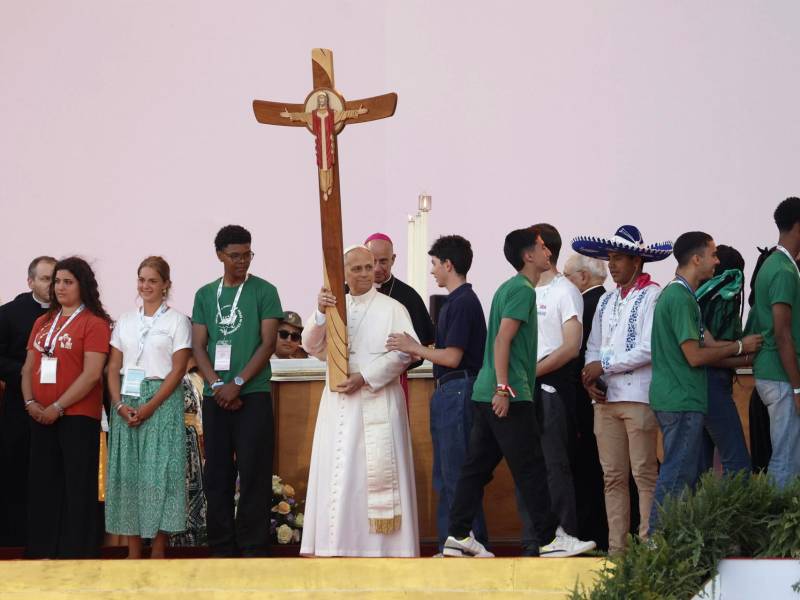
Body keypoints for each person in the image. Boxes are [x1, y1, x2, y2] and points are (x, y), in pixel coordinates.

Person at [444, 227, 591, 559]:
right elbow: (502, 340)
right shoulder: (524, 291)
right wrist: (503, 388)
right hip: (508, 394)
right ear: (528, 256)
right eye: (541, 248)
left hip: (490, 392)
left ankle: (457, 534)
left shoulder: (509, 288)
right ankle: (550, 540)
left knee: (476, 467)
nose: (548, 252)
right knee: (531, 468)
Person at [301, 245, 419, 557]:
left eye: (370, 267)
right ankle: (338, 544)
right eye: (357, 269)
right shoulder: (335, 307)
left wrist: (365, 377)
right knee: (339, 473)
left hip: (376, 398)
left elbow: (405, 352)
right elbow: (311, 345)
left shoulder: (392, 308)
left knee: (370, 476)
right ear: (344, 273)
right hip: (339, 403)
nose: (366, 274)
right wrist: (319, 313)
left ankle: (383, 549)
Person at [649, 232, 762, 532]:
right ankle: (657, 545)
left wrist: (747, 354)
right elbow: (695, 356)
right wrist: (740, 347)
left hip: (679, 399)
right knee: (676, 476)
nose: (716, 261)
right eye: (712, 255)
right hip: (682, 399)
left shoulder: (682, 295)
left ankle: (666, 542)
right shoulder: (680, 297)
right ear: (696, 259)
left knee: (684, 475)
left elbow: (708, 344)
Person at [386, 235, 489, 554]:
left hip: (458, 389)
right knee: (448, 473)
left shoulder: (461, 302)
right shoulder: (458, 302)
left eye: (434, 264)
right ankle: (457, 542)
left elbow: (453, 357)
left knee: (455, 473)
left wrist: (413, 347)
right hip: (452, 390)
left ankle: (463, 542)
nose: (432, 271)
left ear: (448, 264)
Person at [573, 225, 670, 554]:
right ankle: (618, 551)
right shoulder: (607, 300)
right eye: (610, 258)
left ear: (637, 261)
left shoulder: (654, 295)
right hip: (607, 400)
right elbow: (592, 347)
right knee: (613, 478)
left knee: (644, 474)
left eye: (619, 258)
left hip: (639, 398)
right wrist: (591, 377)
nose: (612, 264)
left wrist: (603, 366)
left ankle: (649, 545)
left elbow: (649, 348)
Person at [191, 225, 283, 557]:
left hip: (253, 394)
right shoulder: (204, 295)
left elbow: (268, 343)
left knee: (254, 472)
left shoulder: (264, 291)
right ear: (220, 255)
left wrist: (238, 383)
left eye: (247, 254)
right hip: (215, 397)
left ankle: (253, 546)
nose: (242, 261)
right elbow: (199, 346)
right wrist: (217, 384)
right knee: (217, 473)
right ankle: (220, 547)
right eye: (235, 256)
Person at [20, 256, 112, 558]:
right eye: (57, 281)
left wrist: (57, 406)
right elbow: (28, 367)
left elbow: (91, 374)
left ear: (82, 285)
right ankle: (42, 551)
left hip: (76, 417)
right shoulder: (42, 322)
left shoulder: (95, 323)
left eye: (67, 281)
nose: (60, 287)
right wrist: (30, 402)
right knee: (43, 486)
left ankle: (77, 553)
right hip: (40, 415)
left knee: (77, 486)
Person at [514, 223, 596, 556]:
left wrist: (532, 372)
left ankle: (562, 536)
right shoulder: (522, 290)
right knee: (525, 466)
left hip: (551, 390)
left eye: (530, 245)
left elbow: (570, 347)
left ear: (545, 250)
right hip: (520, 391)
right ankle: (533, 539)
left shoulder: (566, 291)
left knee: (553, 466)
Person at [105, 256, 191, 558]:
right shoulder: (125, 320)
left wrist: (151, 406)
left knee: (160, 473)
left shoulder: (177, 321)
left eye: (153, 280)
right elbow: (113, 366)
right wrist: (118, 405)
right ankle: (132, 551)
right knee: (127, 473)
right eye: (141, 279)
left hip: (162, 399)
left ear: (166, 285)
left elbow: (178, 369)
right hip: (127, 397)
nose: (146, 285)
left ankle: (157, 548)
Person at [0, 255, 55, 547]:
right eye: (45, 278)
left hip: (58, 408)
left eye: (56, 278)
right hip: (18, 409)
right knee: (16, 473)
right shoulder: (9, 313)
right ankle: (14, 541)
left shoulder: (69, 314)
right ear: (30, 281)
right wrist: (26, 374)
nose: (52, 285)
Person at [746, 197, 800, 488]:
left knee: (788, 454)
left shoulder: (775, 264)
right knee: (786, 457)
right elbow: (782, 333)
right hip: (781, 376)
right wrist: (798, 386)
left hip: (773, 372)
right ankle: (780, 527)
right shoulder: (783, 270)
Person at [562, 252, 609, 548]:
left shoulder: (588, 305)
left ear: (583, 277)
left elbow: (578, 355)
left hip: (589, 402)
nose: (564, 282)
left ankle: (593, 535)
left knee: (591, 473)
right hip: (600, 399)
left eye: (567, 276)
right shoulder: (603, 301)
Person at [695, 244, 751, 475]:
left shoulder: (693, 297)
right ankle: (734, 512)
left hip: (692, 387)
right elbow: (711, 356)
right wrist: (746, 355)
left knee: (698, 467)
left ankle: (696, 513)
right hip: (713, 384)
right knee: (737, 463)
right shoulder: (726, 296)